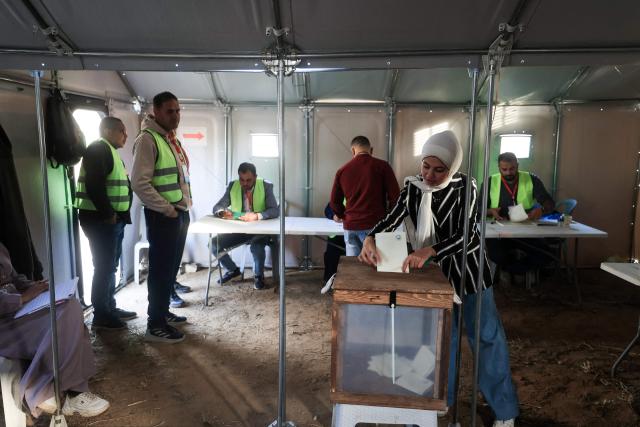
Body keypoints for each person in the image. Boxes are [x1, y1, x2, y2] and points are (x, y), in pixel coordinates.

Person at [359, 131, 519, 427]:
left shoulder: (465, 187)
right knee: (440, 341)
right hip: (434, 280)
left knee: (486, 339)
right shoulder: (412, 188)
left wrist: (430, 249)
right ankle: (441, 399)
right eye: (425, 166)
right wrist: (370, 238)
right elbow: (391, 218)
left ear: (452, 167)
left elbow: (469, 236)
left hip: (469, 277)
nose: (429, 175)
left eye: (438, 169)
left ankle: (504, 410)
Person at [0, 243, 109, 419]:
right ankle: (62, 391)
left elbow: (13, 278)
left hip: (17, 310)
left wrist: (33, 286)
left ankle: (47, 389)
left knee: (70, 305)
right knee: (65, 317)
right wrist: (23, 298)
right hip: (4, 323)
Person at [131, 91, 191, 343]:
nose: (175, 115)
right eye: (170, 111)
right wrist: (166, 208)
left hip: (178, 213)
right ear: (155, 111)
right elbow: (139, 183)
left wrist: (181, 209)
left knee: (170, 269)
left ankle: (163, 312)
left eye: (177, 110)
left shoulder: (168, 139)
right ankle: (154, 324)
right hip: (163, 216)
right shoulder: (148, 139)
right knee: (160, 271)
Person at [75, 117, 136, 329]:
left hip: (112, 220)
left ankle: (110, 306)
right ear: (108, 130)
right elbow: (94, 184)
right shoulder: (98, 149)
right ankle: (101, 315)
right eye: (122, 131)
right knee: (104, 266)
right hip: (100, 220)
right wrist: (108, 214)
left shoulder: (110, 151)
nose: (126, 136)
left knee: (110, 265)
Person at [211, 162, 279, 290]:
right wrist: (222, 212)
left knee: (257, 247)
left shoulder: (265, 185)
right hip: (240, 231)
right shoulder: (233, 186)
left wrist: (257, 215)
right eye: (242, 180)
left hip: (260, 231)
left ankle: (259, 276)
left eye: (248, 180)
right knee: (213, 244)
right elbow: (217, 207)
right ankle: (233, 271)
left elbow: (274, 211)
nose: (245, 183)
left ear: (255, 177)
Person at [486, 152, 555, 275]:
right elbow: (477, 208)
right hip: (499, 232)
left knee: (547, 254)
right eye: (504, 169)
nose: (508, 172)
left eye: (512, 169)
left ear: (517, 166)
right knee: (496, 255)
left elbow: (549, 203)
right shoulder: (491, 181)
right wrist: (490, 211)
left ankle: (515, 271)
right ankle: (515, 271)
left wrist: (542, 210)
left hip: (526, 230)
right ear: (499, 168)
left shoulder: (531, 179)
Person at [329, 135, 400, 256]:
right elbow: (396, 197)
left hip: (351, 226)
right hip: (376, 225)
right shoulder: (383, 167)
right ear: (371, 150)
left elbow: (334, 202)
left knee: (353, 267)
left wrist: (342, 215)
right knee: (376, 265)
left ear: (353, 150)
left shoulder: (342, 170)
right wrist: (389, 218)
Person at [323, 203, 346, 283]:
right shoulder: (341, 194)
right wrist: (333, 216)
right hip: (336, 234)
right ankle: (329, 281)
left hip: (354, 233)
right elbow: (328, 209)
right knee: (331, 256)